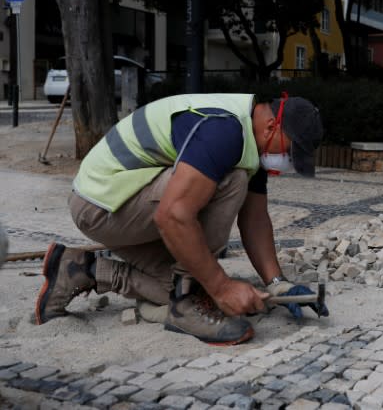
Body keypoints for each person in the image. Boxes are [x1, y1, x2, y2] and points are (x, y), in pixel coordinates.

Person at [35, 92, 327, 345]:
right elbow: (173, 216)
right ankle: (185, 307)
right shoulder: (224, 131)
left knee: (193, 284)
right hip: (100, 205)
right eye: (289, 151)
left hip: (120, 206)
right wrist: (223, 288)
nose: (287, 161)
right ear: (271, 126)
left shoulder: (249, 141)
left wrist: (277, 283)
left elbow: (255, 220)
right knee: (232, 181)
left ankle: (78, 269)